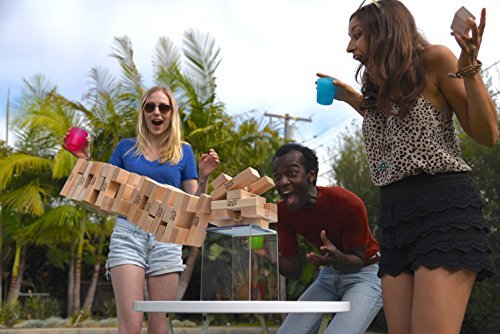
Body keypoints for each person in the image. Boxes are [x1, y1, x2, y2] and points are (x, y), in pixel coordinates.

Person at [318, 1, 498, 333]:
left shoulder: (436, 59)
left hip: (443, 209)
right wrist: (353, 98)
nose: (349, 47)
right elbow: (398, 128)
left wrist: (470, 68)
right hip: (396, 217)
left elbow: (486, 134)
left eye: (357, 35)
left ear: (384, 29)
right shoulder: (380, 86)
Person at [64, 86, 220, 333]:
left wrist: (203, 177)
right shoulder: (125, 148)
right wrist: (84, 161)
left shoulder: (184, 151)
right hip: (128, 235)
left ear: (171, 113)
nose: (156, 112)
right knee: (131, 326)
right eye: (150, 106)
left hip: (166, 240)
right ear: (143, 113)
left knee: (159, 328)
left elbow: (193, 207)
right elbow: (103, 195)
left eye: (163, 107)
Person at [273, 143, 382, 334]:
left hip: (366, 273)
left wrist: (338, 258)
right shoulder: (282, 212)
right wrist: (268, 255)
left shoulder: (346, 203)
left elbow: (356, 261)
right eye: (278, 176)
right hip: (329, 276)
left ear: (311, 175)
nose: (282, 182)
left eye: (291, 173)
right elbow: (294, 270)